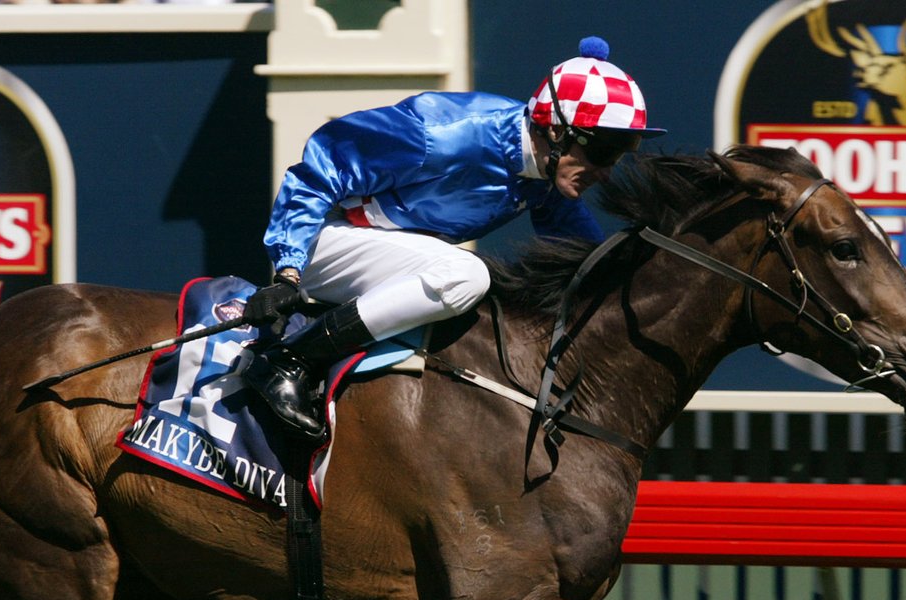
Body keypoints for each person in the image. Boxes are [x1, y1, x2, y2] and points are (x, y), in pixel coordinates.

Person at [241, 36, 665, 439]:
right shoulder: (442, 135)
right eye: (603, 152)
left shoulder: (543, 174)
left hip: (379, 250)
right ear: (555, 130)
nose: (607, 172)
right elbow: (317, 174)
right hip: (323, 237)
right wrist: (289, 270)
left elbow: (583, 254)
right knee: (466, 274)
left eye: (619, 155)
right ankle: (289, 360)